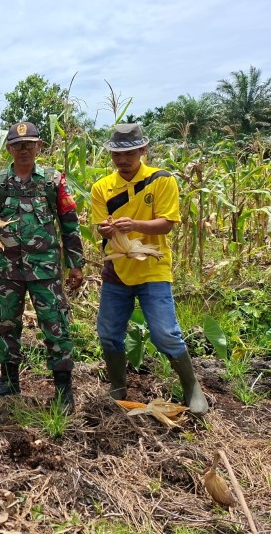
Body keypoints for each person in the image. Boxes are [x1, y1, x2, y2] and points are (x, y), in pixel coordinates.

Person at [92, 124, 208, 415]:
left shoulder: (161, 180)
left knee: (165, 333)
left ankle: (192, 388)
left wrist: (135, 225)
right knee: (108, 332)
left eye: (130, 152)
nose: (123, 159)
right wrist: (107, 230)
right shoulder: (101, 188)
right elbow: (101, 229)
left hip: (153, 268)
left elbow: (167, 223)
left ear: (143, 150)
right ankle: (118, 388)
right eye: (117, 153)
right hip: (117, 268)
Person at [0, 122, 84, 411]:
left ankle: (63, 388)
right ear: (8, 148)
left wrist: (75, 264)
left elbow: (69, 224)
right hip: (9, 270)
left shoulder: (52, 181)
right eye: (17, 145)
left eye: (29, 144)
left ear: (39, 146)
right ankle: (9, 380)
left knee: (55, 324)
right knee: (7, 324)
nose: (24, 150)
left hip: (44, 268)